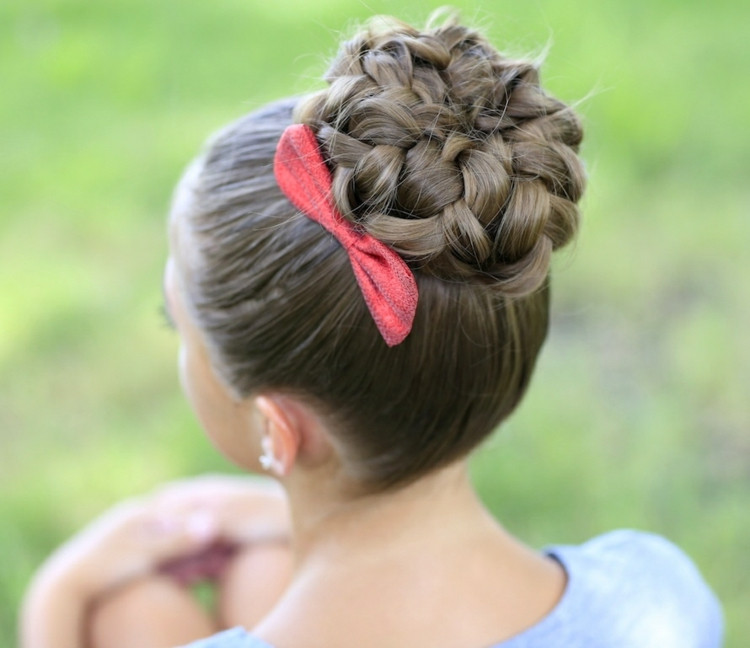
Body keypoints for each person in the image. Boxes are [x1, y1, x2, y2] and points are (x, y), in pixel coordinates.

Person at [21, 12, 723, 648]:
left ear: (279, 428)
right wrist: (280, 518)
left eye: (176, 322)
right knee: (262, 567)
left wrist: (61, 595)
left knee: (128, 613)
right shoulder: (655, 596)